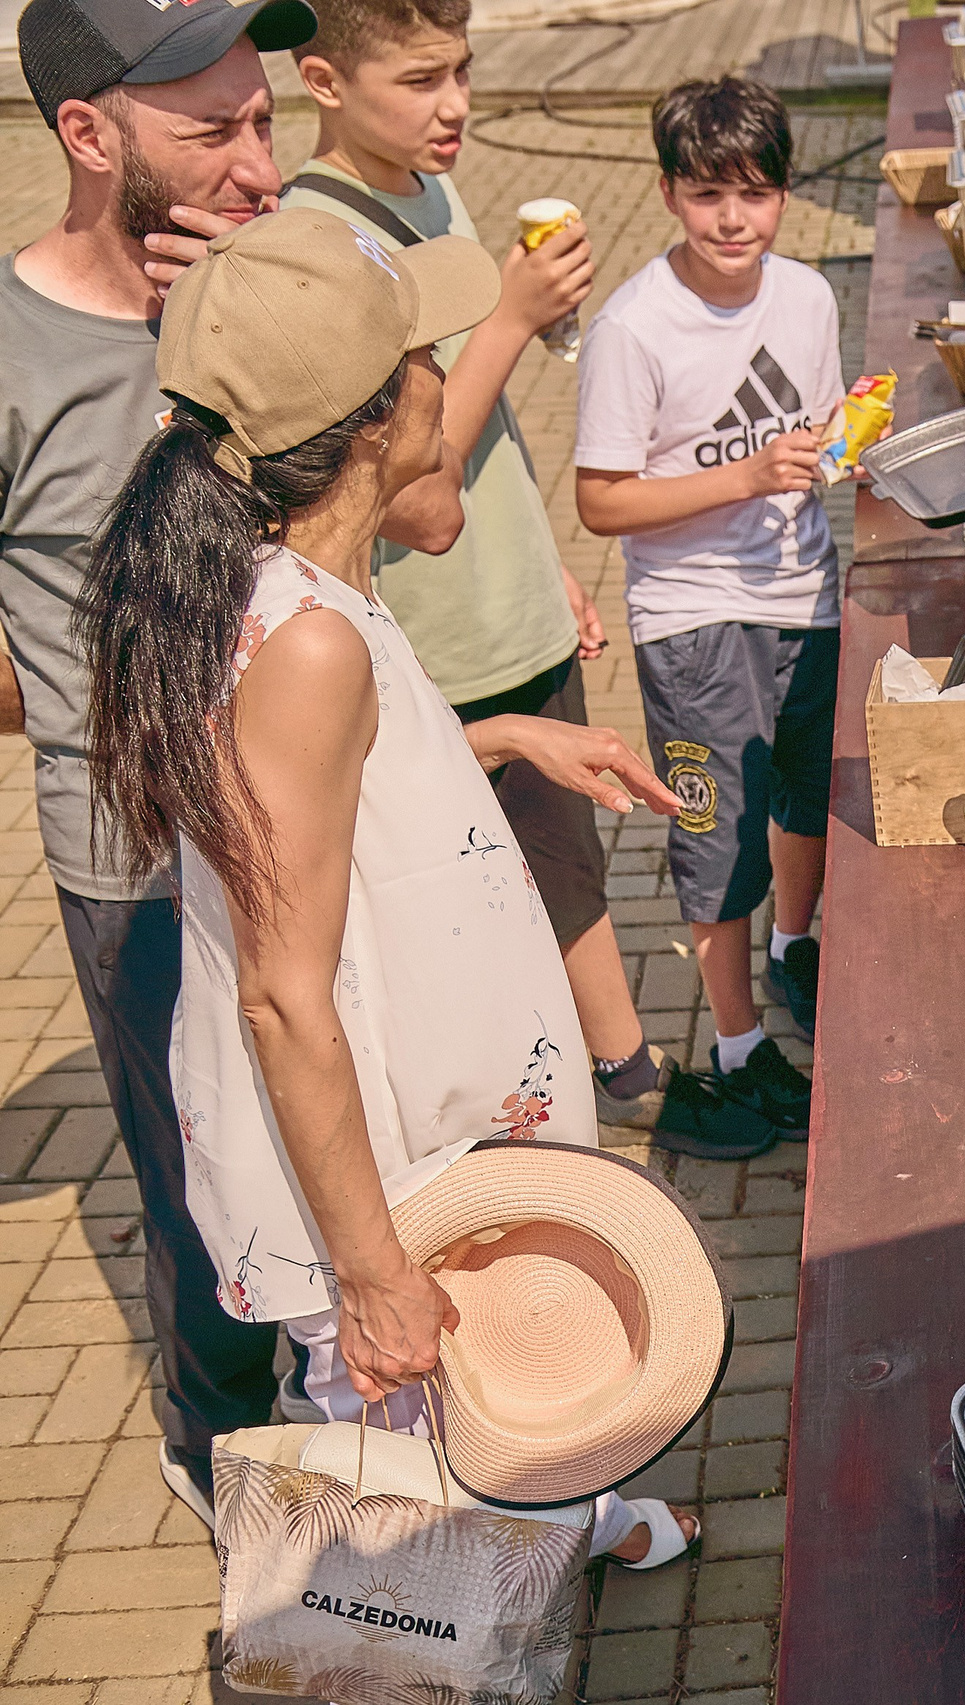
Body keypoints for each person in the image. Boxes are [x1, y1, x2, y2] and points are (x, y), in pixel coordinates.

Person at [80, 208, 698, 1569]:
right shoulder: (304, 641)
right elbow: (283, 997)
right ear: (373, 420)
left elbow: (320, 815)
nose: (446, 368)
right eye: (423, 349)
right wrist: (372, 1278)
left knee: (480, 1436)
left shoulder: (305, 594)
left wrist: (502, 739)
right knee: (403, 1516)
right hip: (380, 1176)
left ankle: (555, 1530)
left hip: (417, 1139)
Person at [1, 0, 420, 1525]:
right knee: (209, 1198)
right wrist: (94, 704)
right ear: (90, 135)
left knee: (368, 1134)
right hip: (139, 868)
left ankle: (419, 1429)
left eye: (264, 119)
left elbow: (411, 507)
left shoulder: (283, 275)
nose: (261, 164)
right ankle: (235, 1465)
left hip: (337, 820)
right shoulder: (15, 348)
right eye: (212, 131)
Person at [283, 0, 777, 1159]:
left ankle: (620, 1066)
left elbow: (482, 421)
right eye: (418, 80)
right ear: (322, 81)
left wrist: (544, 556)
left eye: (462, 70)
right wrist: (511, 313)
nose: (453, 104)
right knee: (471, 882)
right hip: (437, 634)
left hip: (509, 603)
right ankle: (528, 1114)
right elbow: (407, 495)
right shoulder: (324, 243)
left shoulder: (428, 185)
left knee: (563, 850)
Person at [574, 77, 835, 1129]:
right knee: (716, 835)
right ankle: (736, 1044)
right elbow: (598, 501)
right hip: (690, 615)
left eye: (756, 194)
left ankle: (794, 944)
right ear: (671, 194)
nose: (733, 220)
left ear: (783, 194)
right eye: (707, 194)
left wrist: (841, 451)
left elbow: (811, 437)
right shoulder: (633, 329)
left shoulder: (810, 296)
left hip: (802, 589)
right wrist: (745, 476)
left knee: (807, 797)